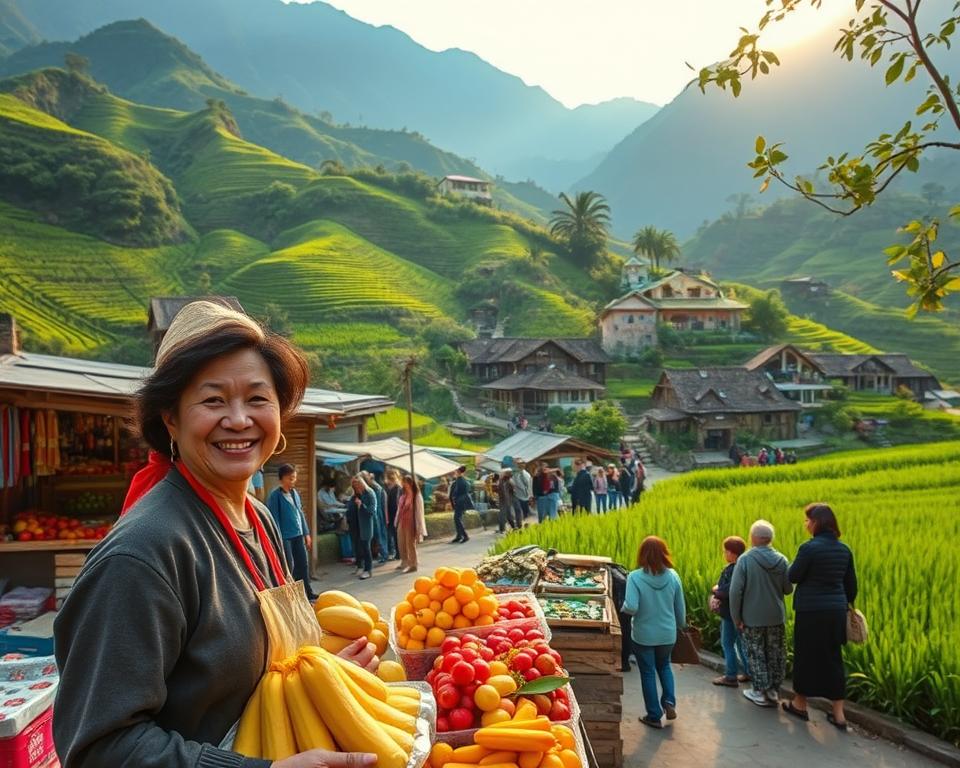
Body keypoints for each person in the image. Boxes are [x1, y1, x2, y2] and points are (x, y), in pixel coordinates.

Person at [53, 300, 378, 768]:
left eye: (257, 398)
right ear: (170, 418)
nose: (240, 419)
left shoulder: (259, 518)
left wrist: (326, 682)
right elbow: (99, 748)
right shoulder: (143, 554)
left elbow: (247, 682)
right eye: (213, 400)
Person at [783, 503, 858, 730]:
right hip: (835, 612)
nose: (805, 524)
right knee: (832, 658)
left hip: (811, 611)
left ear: (816, 522)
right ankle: (839, 714)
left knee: (806, 657)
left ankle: (800, 704)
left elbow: (793, 576)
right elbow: (851, 587)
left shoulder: (808, 548)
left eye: (807, 520)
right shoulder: (844, 550)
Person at [622, 536, 686, 729]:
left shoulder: (635, 577)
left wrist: (623, 608)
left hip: (644, 635)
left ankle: (653, 715)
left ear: (642, 555)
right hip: (668, 634)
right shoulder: (673, 576)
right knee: (665, 666)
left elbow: (631, 607)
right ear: (664, 553)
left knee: (648, 673)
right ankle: (669, 702)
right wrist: (680, 626)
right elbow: (680, 609)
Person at [729, 519, 793, 707]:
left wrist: (736, 618)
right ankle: (773, 691)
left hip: (751, 617)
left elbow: (735, 592)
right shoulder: (782, 559)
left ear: (753, 538)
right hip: (776, 616)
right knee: (775, 653)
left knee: (756, 653)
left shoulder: (746, 559)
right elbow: (788, 589)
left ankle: (760, 692)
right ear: (770, 539)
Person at [266, 463, 317, 601]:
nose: (292, 481)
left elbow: (300, 514)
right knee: (289, 566)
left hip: (298, 535)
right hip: (285, 538)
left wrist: (306, 533)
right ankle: (290, 596)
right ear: (282, 479)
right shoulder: (275, 496)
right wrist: (277, 540)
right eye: (290, 478)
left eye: (294, 478)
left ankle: (307, 592)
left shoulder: (294, 493)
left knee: (303, 564)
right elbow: (274, 520)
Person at [710, 536, 749, 687]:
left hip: (729, 613)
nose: (724, 554)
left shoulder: (733, 569)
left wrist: (716, 590)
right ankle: (747, 672)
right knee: (740, 643)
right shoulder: (744, 567)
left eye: (726, 551)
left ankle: (731, 675)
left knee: (727, 643)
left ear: (733, 553)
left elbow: (728, 590)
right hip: (741, 612)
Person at [396, 474, 427, 573]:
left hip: (411, 522)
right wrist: (396, 521)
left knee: (410, 544)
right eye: (403, 482)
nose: (404, 484)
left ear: (410, 483)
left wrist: (419, 527)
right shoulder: (403, 496)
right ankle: (404, 561)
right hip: (402, 521)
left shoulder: (416, 496)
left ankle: (413, 564)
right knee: (401, 542)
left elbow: (419, 512)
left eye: (406, 482)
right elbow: (399, 510)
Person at [350, 474, 376, 579]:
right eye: (354, 486)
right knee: (358, 546)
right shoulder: (356, 495)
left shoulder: (369, 493)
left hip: (366, 525)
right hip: (356, 525)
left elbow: (371, 511)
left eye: (357, 486)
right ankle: (359, 565)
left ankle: (368, 570)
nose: (356, 488)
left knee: (366, 548)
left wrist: (362, 505)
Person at [365, 471, 389, 565]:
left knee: (379, 534)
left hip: (377, 513)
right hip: (378, 512)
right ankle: (384, 554)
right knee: (380, 534)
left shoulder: (375, 488)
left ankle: (384, 554)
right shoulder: (377, 487)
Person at [449, 465, 472, 543]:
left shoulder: (459, 481)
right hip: (462, 502)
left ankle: (465, 536)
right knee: (458, 519)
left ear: (458, 471)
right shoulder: (464, 481)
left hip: (459, 502)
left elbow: (455, 493)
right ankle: (459, 536)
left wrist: (453, 501)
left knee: (457, 519)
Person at [384, 469, 402, 562]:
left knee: (396, 534)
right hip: (391, 514)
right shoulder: (389, 488)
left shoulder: (398, 488)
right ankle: (396, 552)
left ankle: (399, 553)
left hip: (395, 514)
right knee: (393, 534)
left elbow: (397, 503)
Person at [497, 468, 519, 532]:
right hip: (504, 500)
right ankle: (513, 527)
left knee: (503, 515)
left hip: (506, 500)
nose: (501, 474)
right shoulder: (503, 481)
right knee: (508, 515)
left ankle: (502, 529)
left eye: (502, 473)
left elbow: (512, 491)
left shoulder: (508, 481)